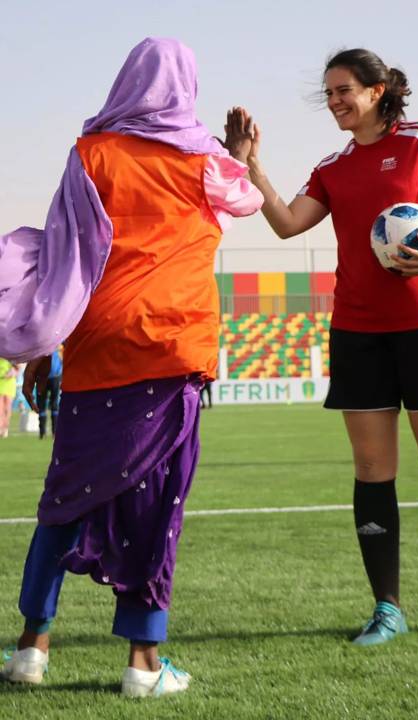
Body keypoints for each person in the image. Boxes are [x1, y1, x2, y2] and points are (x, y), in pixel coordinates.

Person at [0, 38, 262, 696]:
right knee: (156, 507)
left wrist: (44, 346)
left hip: (94, 349)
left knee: (64, 499)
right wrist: (240, 154)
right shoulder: (204, 158)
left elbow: (66, 260)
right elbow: (246, 201)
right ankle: (143, 665)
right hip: (170, 352)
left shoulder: (90, 154)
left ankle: (31, 650)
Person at [224, 48, 418, 645]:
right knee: (372, 469)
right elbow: (285, 222)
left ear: (378, 90)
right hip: (357, 329)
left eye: (344, 90)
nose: (334, 102)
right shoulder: (332, 167)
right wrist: (251, 166)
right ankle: (387, 609)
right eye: (328, 93)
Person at [37, 348, 62, 439]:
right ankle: (42, 433)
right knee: (42, 405)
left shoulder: (59, 340)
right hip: (43, 376)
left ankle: (54, 432)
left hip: (54, 376)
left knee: (54, 404)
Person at [0, 357, 19, 438]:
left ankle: (5, 428)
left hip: (9, 384)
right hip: (1, 383)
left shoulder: (10, 355)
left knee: (7, 408)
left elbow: (17, 368)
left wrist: (13, 372)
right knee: (0, 408)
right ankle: (0, 428)